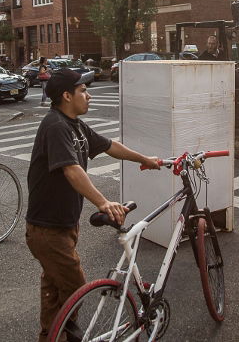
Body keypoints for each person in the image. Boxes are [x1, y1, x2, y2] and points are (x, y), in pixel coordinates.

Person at [25, 68, 159, 342]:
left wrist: (144, 159)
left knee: (55, 284)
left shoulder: (75, 125)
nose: (89, 96)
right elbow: (72, 170)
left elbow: (110, 145)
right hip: (46, 228)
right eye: (83, 91)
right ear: (66, 95)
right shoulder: (56, 126)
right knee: (74, 286)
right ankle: (65, 335)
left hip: (62, 225)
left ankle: (51, 335)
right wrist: (104, 202)